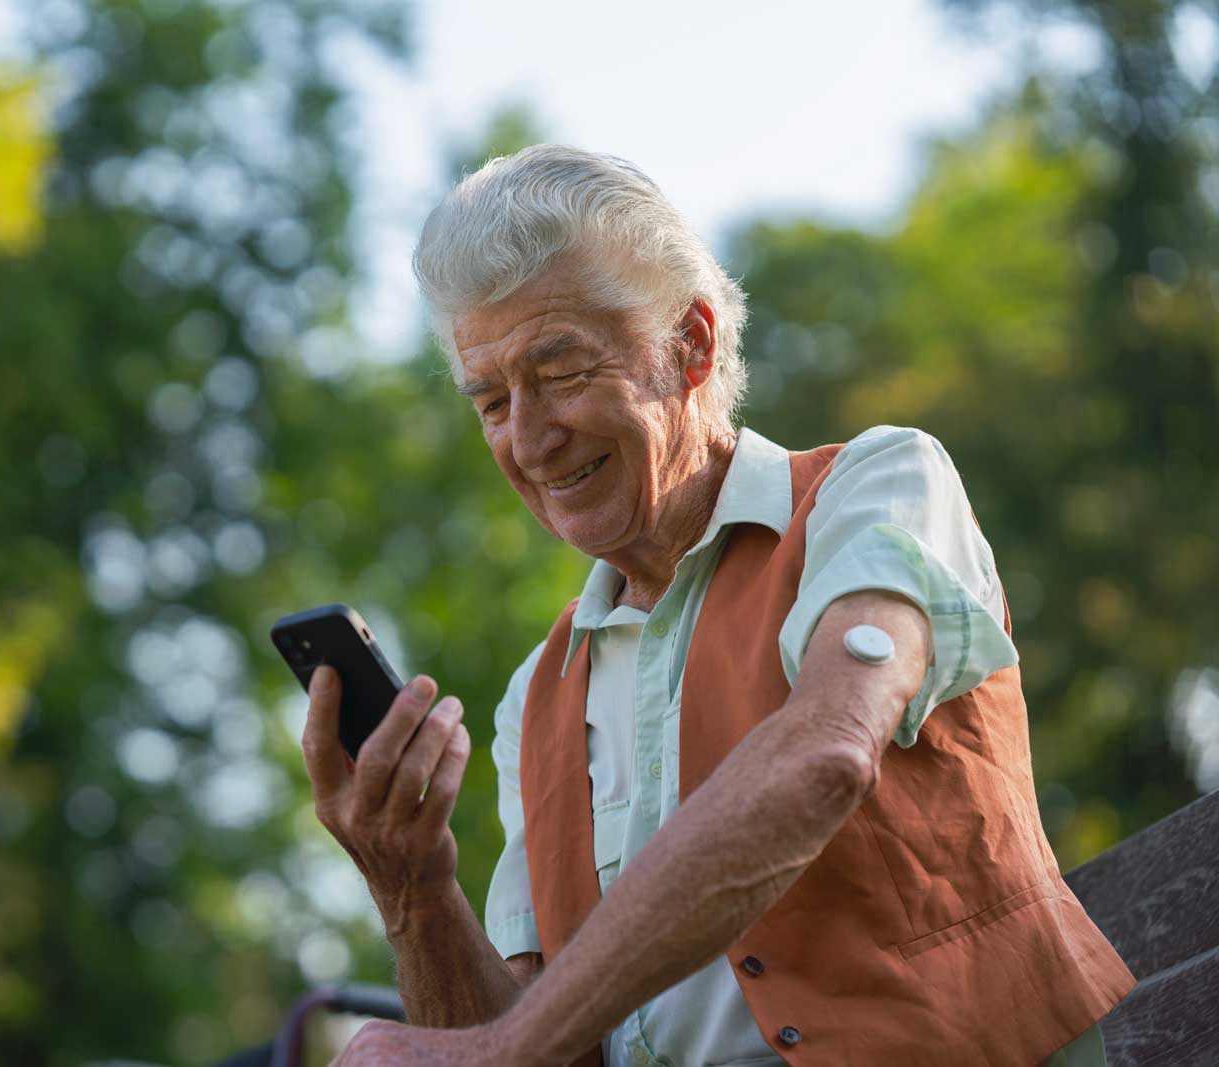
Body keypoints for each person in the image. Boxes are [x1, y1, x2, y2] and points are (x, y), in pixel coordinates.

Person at [300, 144, 1134, 1067]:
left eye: (563, 370)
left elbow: (826, 750)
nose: (531, 439)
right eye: (492, 400)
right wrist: (414, 888)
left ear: (690, 346)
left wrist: (503, 1047)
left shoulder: (878, 486)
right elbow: (540, 1043)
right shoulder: (537, 690)